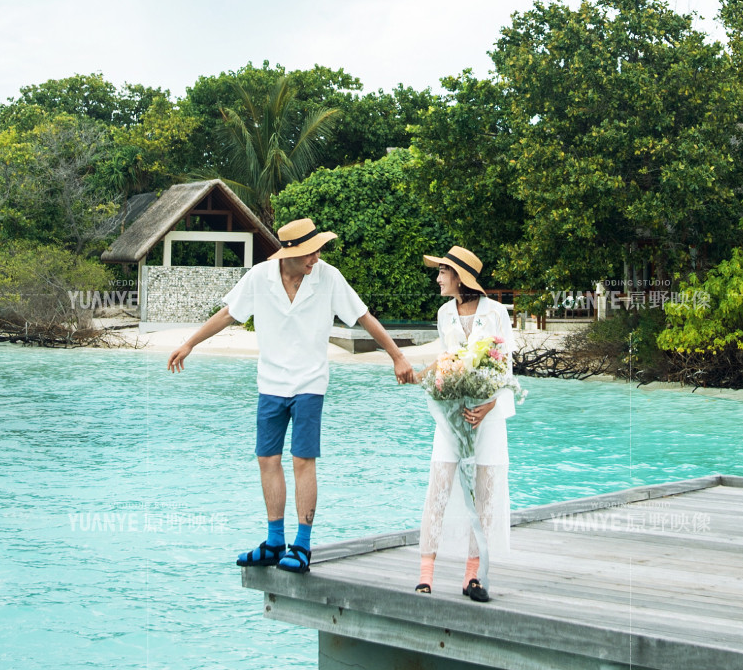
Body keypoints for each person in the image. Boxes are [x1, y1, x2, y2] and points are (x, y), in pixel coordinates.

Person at [166, 217, 417, 573]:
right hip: (270, 383)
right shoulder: (259, 277)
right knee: (267, 459)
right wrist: (189, 343)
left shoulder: (328, 277)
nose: (316, 258)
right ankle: (274, 542)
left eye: (317, 250)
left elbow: (364, 317)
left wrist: (397, 356)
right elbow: (228, 315)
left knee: (303, 460)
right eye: (309, 253)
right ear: (288, 254)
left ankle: (302, 545)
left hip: (310, 384)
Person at [416, 245, 515, 602]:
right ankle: (425, 575)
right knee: (438, 487)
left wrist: (489, 405)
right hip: (452, 416)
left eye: (442, 271)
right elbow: (446, 360)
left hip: (487, 417)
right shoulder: (444, 314)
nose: (438, 278)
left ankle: (472, 576)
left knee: (484, 495)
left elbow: (505, 367)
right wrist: (423, 377)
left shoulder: (496, 313)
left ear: (459, 277)